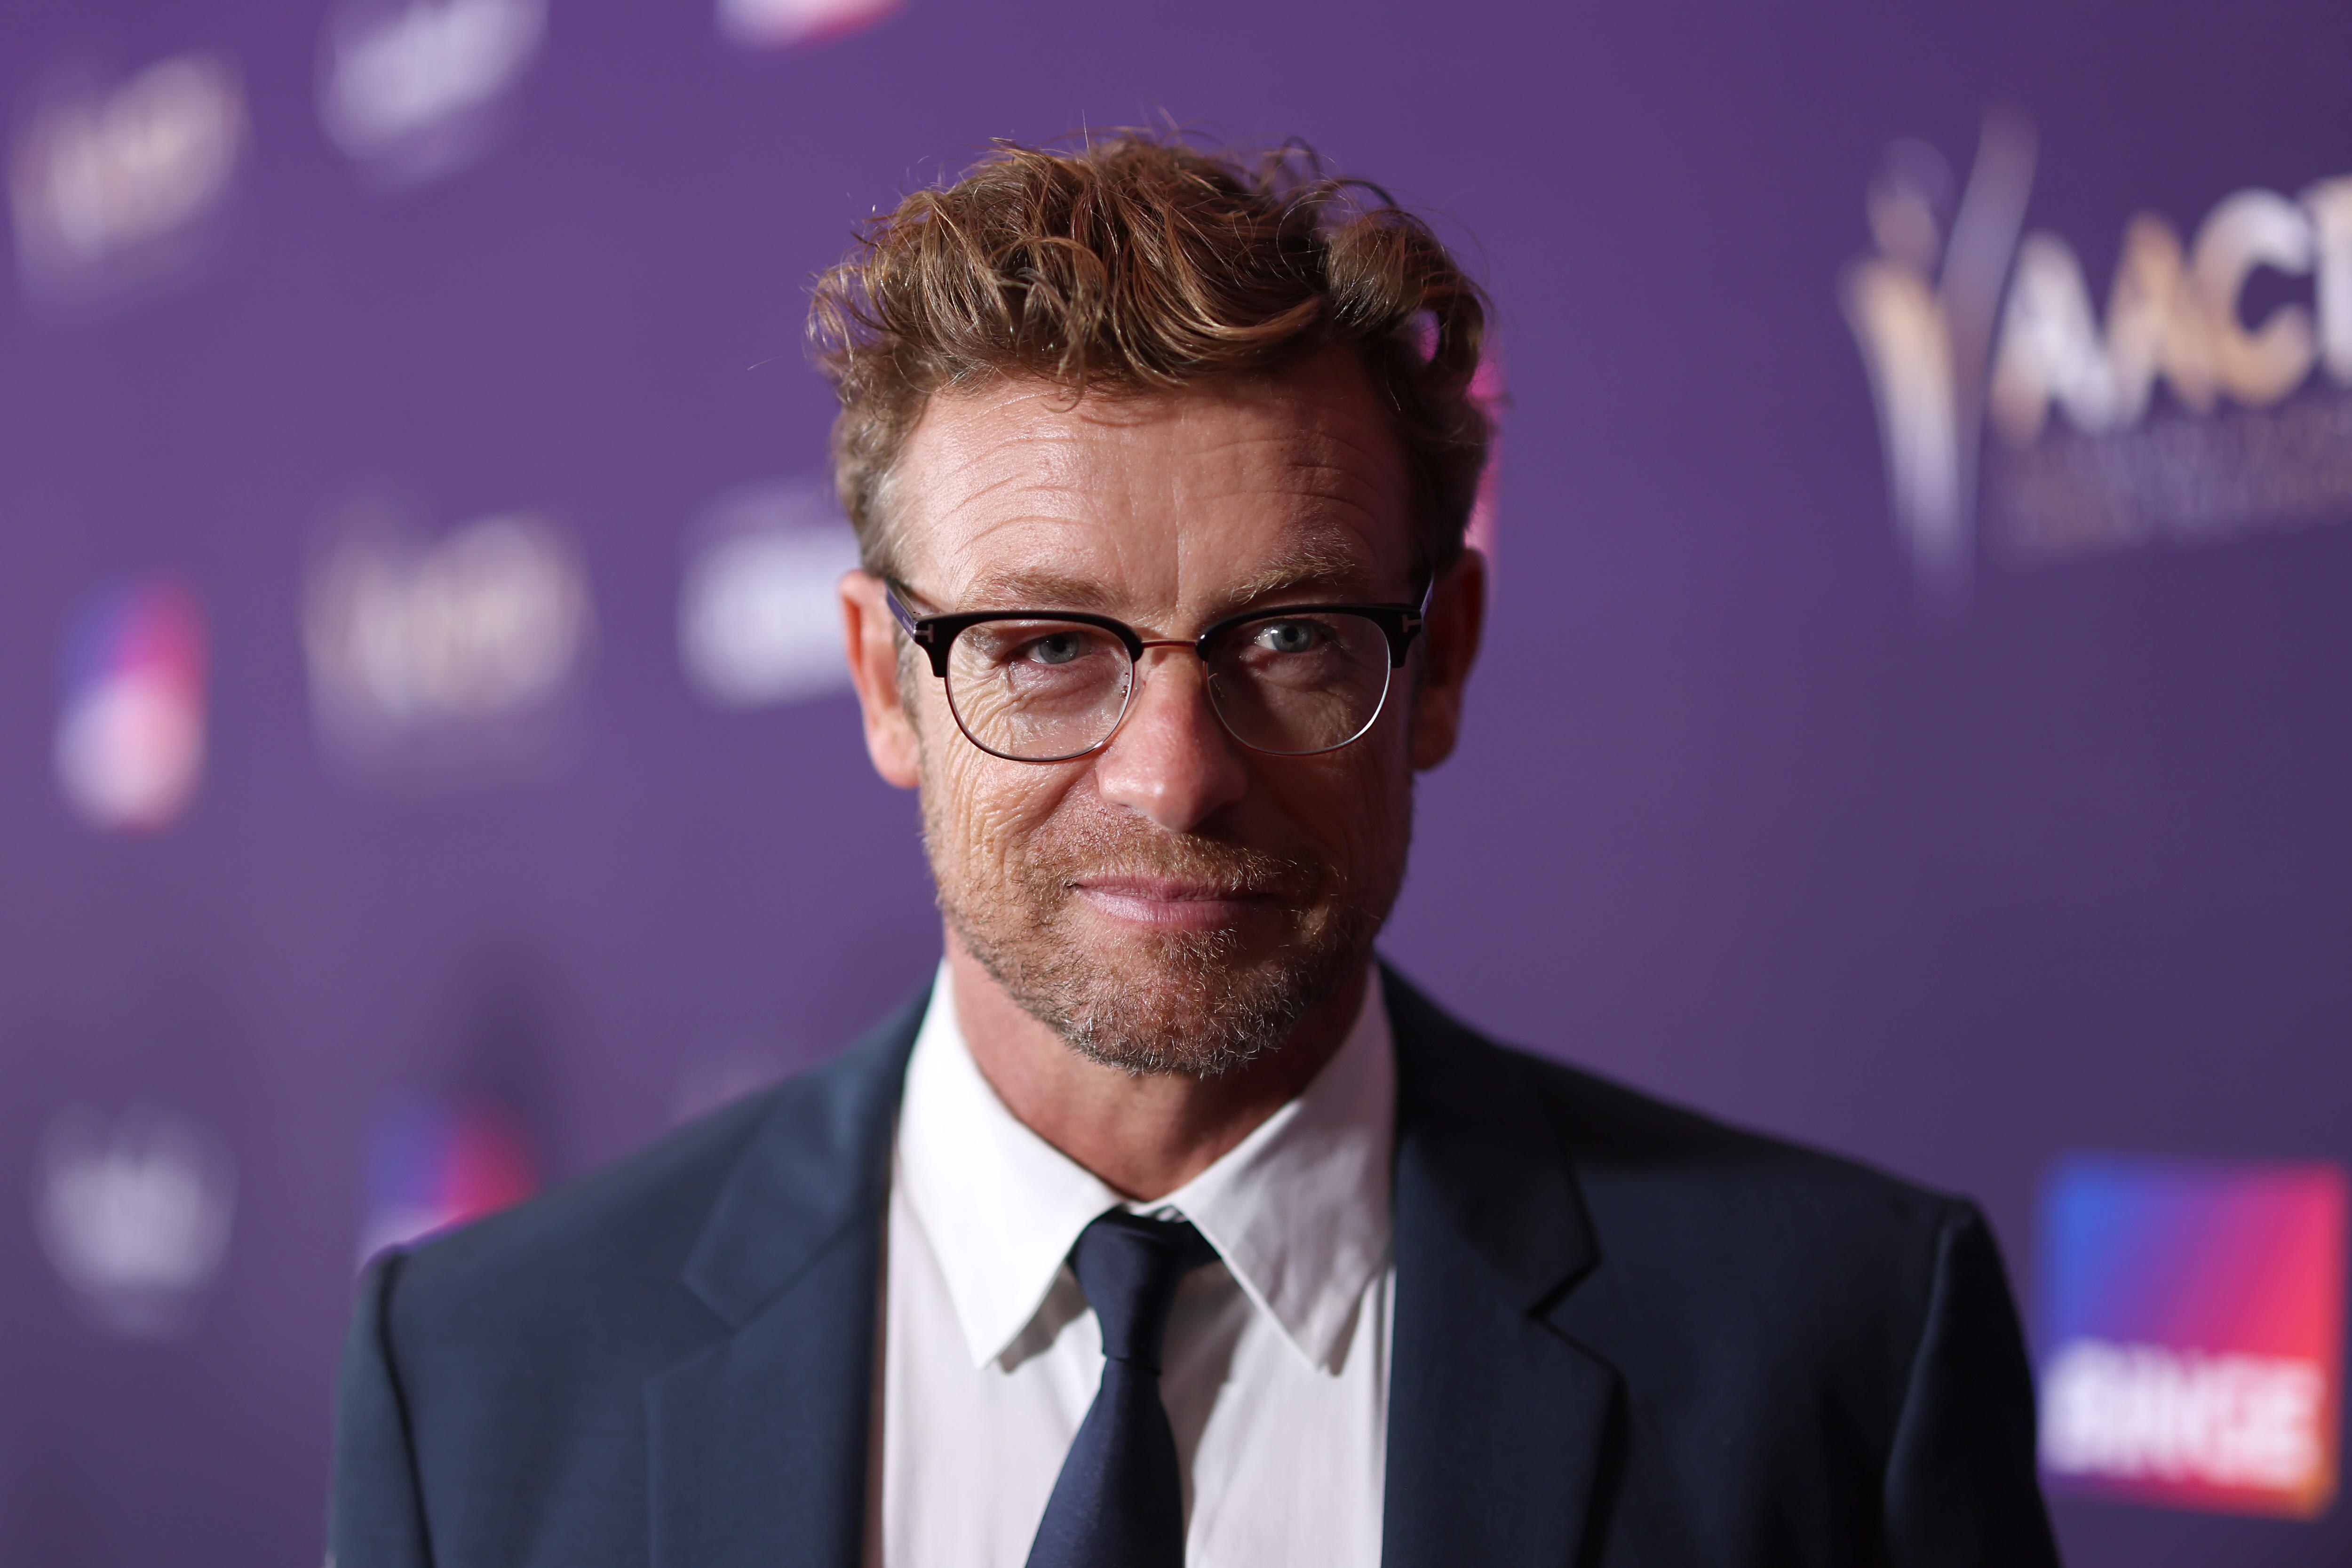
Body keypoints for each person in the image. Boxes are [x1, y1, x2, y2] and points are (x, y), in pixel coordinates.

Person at [330, 133, 2061, 1568]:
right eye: (1045, 648)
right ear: (881, 680)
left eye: (1293, 639)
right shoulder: (483, 1380)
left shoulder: (1843, 1346)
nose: (1174, 778)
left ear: (1441, 658)